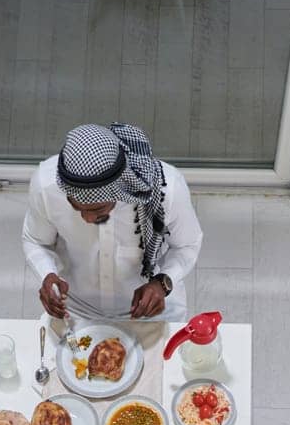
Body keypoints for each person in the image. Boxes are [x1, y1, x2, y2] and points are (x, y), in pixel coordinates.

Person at [22, 121, 203, 323]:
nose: (87, 218)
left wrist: (163, 282)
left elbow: (187, 245)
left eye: (97, 209)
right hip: (76, 311)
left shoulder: (166, 190)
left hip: (151, 311)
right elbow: (36, 241)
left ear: (120, 189)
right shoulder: (46, 186)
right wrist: (47, 274)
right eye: (76, 207)